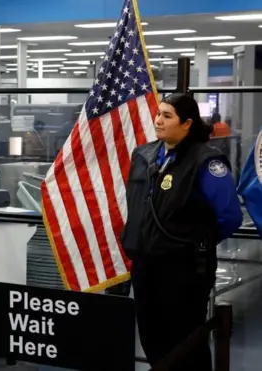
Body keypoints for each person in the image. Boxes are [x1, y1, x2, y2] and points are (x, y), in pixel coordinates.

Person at [120, 93, 242, 371]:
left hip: (184, 269)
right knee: (152, 338)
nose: (158, 120)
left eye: (167, 116)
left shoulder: (207, 161)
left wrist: (196, 240)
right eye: (158, 113)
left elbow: (229, 216)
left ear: (187, 124)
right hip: (146, 264)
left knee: (186, 342)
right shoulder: (144, 155)